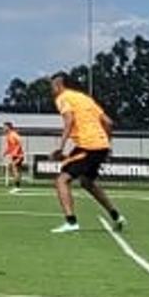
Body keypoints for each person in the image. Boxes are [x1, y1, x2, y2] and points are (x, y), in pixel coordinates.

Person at [49, 73, 125, 233]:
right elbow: (108, 122)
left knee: (61, 180)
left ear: (58, 84)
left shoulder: (62, 98)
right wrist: (107, 145)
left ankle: (71, 222)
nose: (52, 90)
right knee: (87, 182)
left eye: (52, 86)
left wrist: (60, 147)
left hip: (87, 146)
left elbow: (69, 121)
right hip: (100, 146)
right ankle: (116, 216)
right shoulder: (85, 98)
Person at [3, 124, 27, 193]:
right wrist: (6, 152)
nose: (3, 128)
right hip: (14, 155)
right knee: (14, 169)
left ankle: (17, 187)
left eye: (4, 127)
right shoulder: (8, 136)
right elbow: (10, 146)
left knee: (14, 169)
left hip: (18, 155)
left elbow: (20, 141)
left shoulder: (13, 134)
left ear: (8, 127)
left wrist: (17, 151)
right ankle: (18, 185)